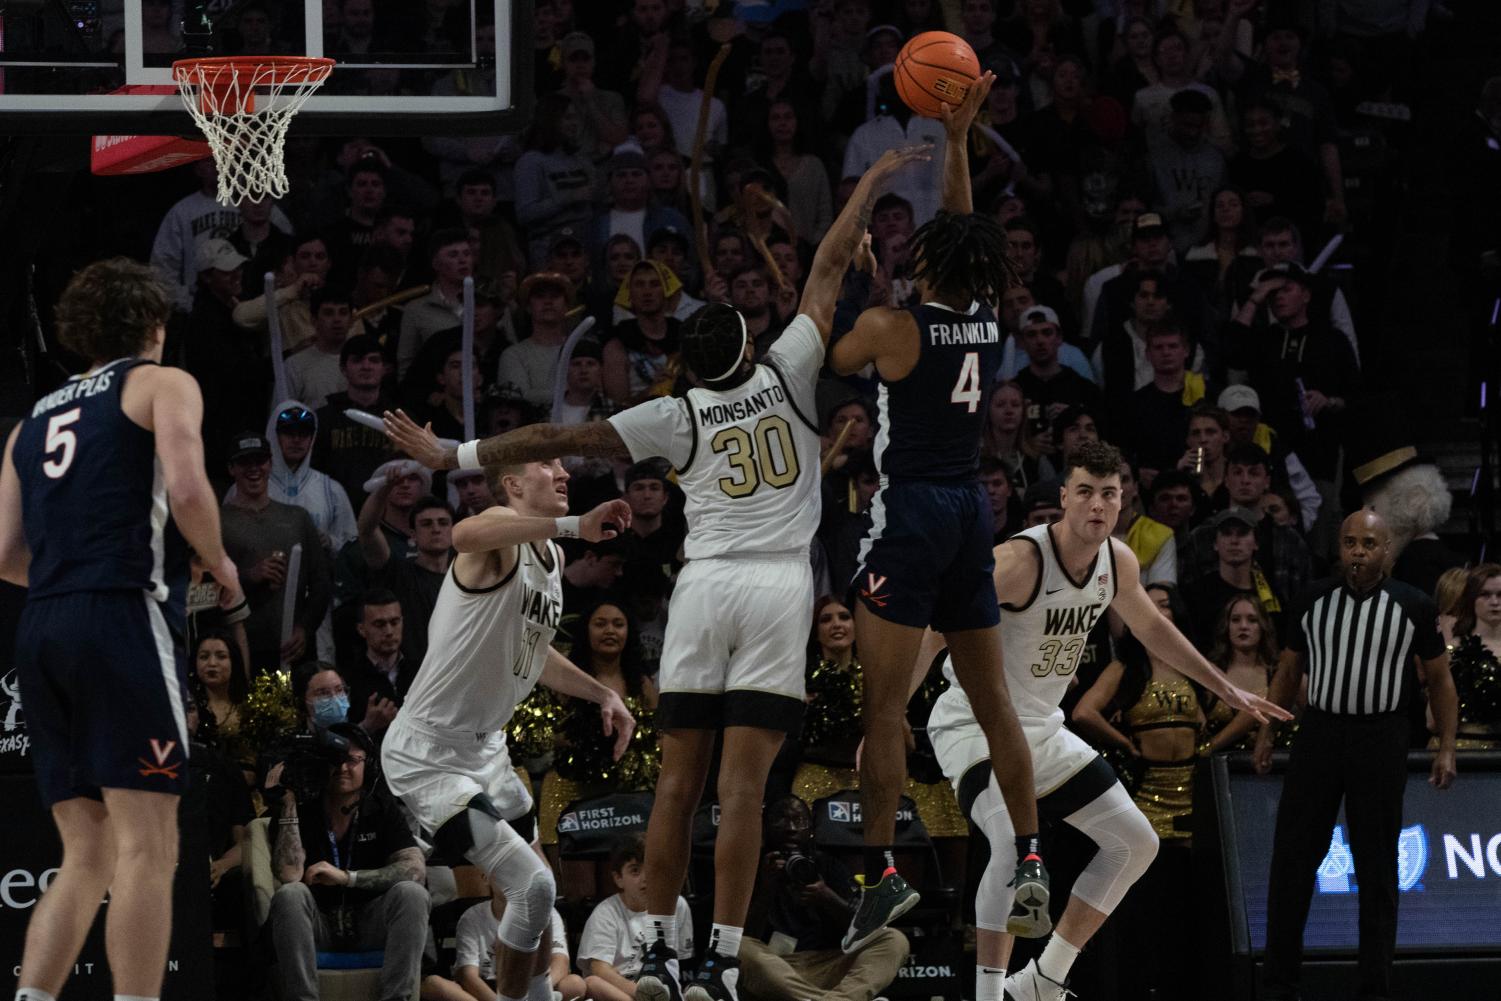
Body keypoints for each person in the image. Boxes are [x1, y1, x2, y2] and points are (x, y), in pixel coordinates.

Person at [380, 143, 932, 1001]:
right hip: (777, 586)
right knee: (742, 787)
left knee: (676, 781)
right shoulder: (789, 366)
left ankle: (661, 951)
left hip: (702, 585)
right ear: (751, 344)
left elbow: (557, 438)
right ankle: (716, 951)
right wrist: (869, 182)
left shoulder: (672, 414)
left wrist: (456, 449)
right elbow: (826, 263)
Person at [925, 441, 1284, 1001]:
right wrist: (885, 715)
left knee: (1136, 842)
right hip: (975, 725)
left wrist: (1226, 687)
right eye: (1086, 492)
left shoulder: (1118, 562)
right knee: (1006, 842)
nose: (1097, 504)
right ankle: (989, 994)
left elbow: (1153, 630)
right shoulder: (1019, 561)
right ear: (1065, 498)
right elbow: (939, 624)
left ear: (1123, 502)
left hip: (1043, 727)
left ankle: (1043, 979)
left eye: (1109, 495)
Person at [826, 73, 1050, 951]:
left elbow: (829, 353)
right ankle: (1030, 857)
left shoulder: (889, 327)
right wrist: (958, 137)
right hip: (969, 510)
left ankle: (880, 875)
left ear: (923, 264)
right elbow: (962, 233)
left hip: (911, 509)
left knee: (884, 712)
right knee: (995, 702)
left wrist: (854, 260)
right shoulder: (987, 320)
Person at [0, 257, 243, 1001]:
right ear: (154, 325)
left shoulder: (31, 421)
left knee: (87, 851)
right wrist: (221, 562)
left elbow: (6, 555)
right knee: (149, 846)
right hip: (121, 615)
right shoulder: (161, 382)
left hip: (41, 625)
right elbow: (192, 483)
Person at [377, 452, 635, 1001]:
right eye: (548, 465)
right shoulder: (496, 538)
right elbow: (464, 532)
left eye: (565, 466)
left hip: (487, 754)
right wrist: (574, 524)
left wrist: (602, 692)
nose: (564, 474)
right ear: (513, 484)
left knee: (542, 892)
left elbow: (534, 654)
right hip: (428, 758)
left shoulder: (549, 560)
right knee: (533, 886)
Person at [1253, 510, 1459, 1001]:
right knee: (1293, 859)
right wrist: (1266, 733)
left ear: (1387, 550)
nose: (1359, 552)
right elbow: (1286, 673)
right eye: (1349, 542)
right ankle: (1281, 982)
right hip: (1319, 734)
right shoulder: (1311, 599)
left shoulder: (1413, 604)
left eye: (1369, 543)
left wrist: (1446, 747)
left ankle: (1374, 987)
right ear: (1339, 548)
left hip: (1381, 736)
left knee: (1377, 865)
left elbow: (1441, 681)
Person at [267, 722, 431, 1001]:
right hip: (319, 924)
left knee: (412, 893)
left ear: (369, 766)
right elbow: (289, 874)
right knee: (290, 895)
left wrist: (347, 877)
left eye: (353, 760)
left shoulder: (380, 808)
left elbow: (415, 869)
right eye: (335, 760)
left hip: (371, 921)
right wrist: (289, 803)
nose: (343, 768)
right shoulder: (301, 809)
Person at [738, 797, 910, 1001]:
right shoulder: (748, 868)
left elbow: (863, 931)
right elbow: (740, 935)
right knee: (740, 947)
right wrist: (766, 889)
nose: (791, 828)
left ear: (811, 829)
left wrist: (829, 899)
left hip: (828, 964)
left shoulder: (827, 864)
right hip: (772, 969)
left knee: (893, 939)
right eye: (781, 820)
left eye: (799, 820)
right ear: (764, 828)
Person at [577, 834, 694, 1001]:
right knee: (593, 982)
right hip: (626, 991)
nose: (645, 878)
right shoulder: (605, 913)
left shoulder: (678, 905)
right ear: (618, 879)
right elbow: (599, 969)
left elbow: (684, 962)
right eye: (635, 870)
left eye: (651, 868)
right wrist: (643, 995)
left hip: (667, 990)